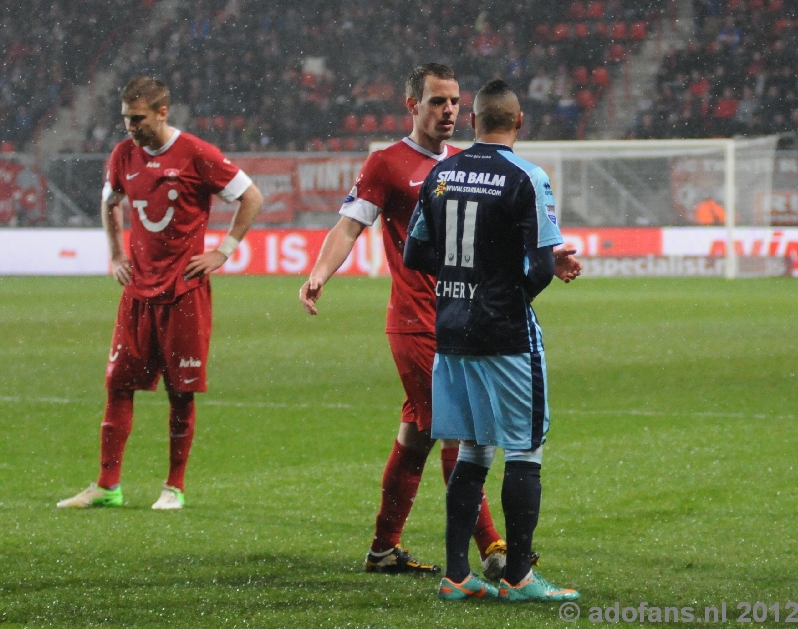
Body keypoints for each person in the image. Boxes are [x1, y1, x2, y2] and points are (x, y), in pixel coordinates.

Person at [299, 64, 507, 577]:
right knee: (460, 430)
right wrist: (320, 273)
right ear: (413, 106)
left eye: (456, 101)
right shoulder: (387, 164)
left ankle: (383, 550)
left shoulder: (464, 163)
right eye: (438, 101)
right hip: (414, 323)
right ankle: (493, 549)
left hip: (462, 321)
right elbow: (349, 225)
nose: (450, 111)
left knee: (417, 434)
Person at [404, 79, 582, 601]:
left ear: (473, 120)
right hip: (505, 333)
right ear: (519, 121)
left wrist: (467, 279)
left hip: (452, 329)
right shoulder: (527, 176)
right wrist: (505, 290)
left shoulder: (440, 173)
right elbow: (543, 265)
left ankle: (457, 574)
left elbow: (415, 256)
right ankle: (519, 575)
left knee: (474, 450)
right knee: (525, 449)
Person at [57, 77, 263, 510]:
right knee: (118, 385)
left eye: (138, 119)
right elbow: (110, 201)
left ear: (163, 112)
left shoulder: (196, 153)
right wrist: (115, 254)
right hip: (137, 292)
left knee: (180, 391)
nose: (130, 127)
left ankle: (174, 487)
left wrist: (223, 251)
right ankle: (107, 486)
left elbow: (252, 197)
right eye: (126, 119)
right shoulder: (122, 155)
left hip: (183, 292)